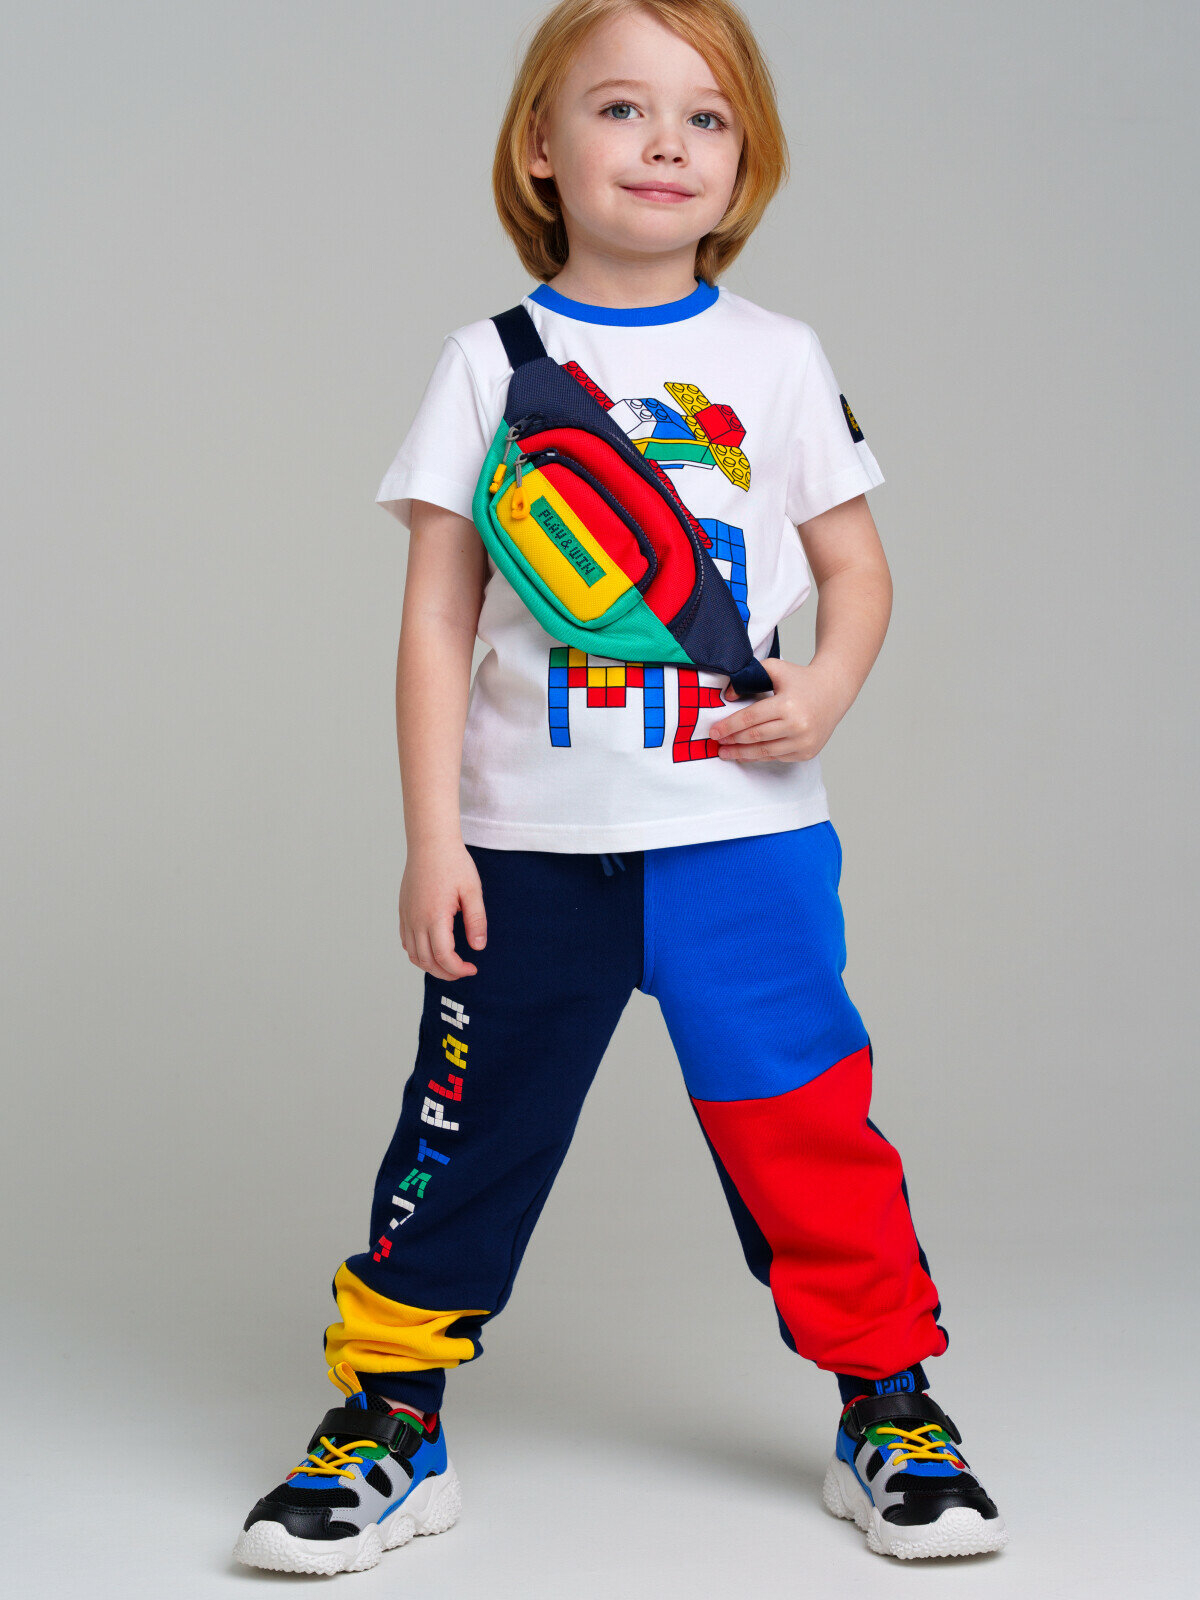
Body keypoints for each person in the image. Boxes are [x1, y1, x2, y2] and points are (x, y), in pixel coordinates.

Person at [234, 0, 1007, 1574]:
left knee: (806, 1136)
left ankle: (890, 1407)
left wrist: (824, 690)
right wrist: (432, 838)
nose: (666, 144)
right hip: (525, 853)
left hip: (745, 850)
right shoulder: (487, 364)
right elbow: (437, 619)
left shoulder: (779, 359)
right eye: (619, 108)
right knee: (463, 1138)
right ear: (540, 146)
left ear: (745, 159)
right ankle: (390, 1418)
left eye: (706, 117)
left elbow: (858, 574)